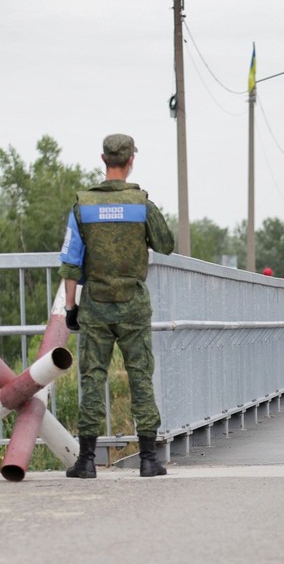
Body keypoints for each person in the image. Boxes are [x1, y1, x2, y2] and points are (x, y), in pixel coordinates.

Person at [59, 134, 175, 478]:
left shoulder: (82, 205)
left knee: (92, 377)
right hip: (133, 306)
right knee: (140, 376)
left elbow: (70, 261)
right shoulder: (141, 204)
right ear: (131, 161)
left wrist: (70, 307)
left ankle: (87, 461)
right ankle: (149, 460)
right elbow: (166, 244)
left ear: (103, 159)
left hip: (95, 303)